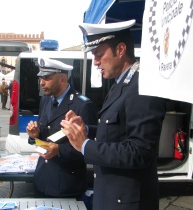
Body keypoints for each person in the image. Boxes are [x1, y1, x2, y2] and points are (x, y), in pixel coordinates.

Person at [60, 20, 166, 210]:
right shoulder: (122, 83)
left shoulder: (142, 87)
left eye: (99, 54)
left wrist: (85, 145)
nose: (96, 62)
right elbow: (115, 133)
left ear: (121, 49)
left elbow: (140, 152)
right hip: (111, 197)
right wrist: (87, 130)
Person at [26, 57, 98, 200]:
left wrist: (59, 151)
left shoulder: (82, 105)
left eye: (47, 78)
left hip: (66, 184)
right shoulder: (46, 99)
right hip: (42, 179)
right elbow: (45, 135)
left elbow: (87, 149)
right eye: (41, 78)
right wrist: (34, 135)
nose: (41, 83)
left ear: (62, 79)